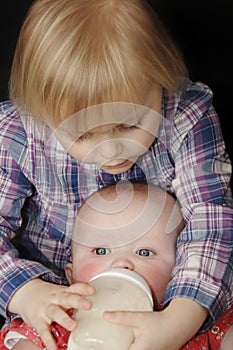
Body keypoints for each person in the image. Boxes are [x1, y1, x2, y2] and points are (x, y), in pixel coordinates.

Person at [0, 0, 232, 349]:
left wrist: (180, 319)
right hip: (62, 299)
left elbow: (211, 220)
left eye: (128, 125)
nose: (110, 151)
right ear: (40, 112)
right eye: (81, 136)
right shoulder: (19, 132)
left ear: (161, 80)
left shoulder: (187, 116)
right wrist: (27, 292)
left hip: (172, 296)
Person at [0, 182, 232, 350]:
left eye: (145, 252)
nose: (121, 263)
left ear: (179, 271)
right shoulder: (57, 321)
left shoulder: (189, 322)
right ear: (71, 276)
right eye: (100, 251)